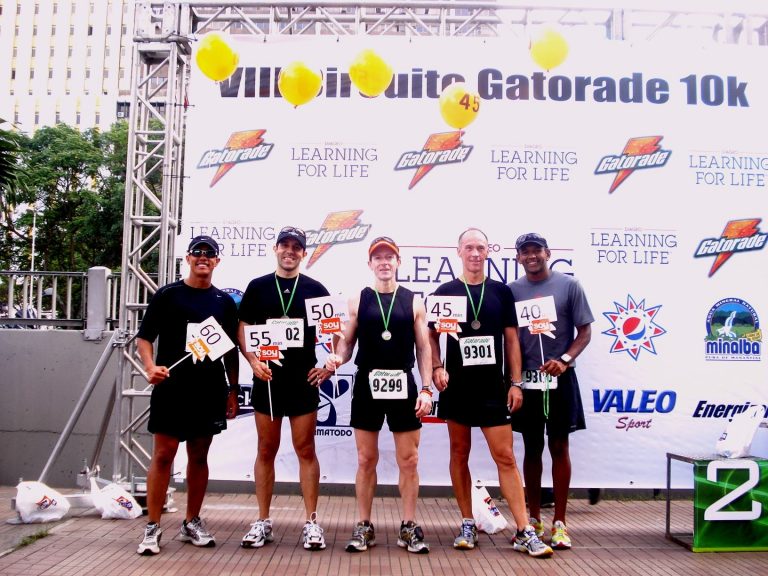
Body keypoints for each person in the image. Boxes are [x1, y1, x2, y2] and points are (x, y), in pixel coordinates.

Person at [428, 228, 553, 558]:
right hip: (457, 388)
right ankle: (467, 522)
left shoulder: (500, 292)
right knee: (459, 453)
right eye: (469, 247)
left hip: (492, 389)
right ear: (459, 251)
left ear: (488, 252)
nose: (474, 253)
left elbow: (511, 340)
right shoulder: (445, 292)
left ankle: (524, 530)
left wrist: (516, 382)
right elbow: (430, 336)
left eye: (480, 248)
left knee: (506, 457)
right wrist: (437, 366)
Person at [325, 236, 433, 554]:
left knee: (409, 460)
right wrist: (337, 358)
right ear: (370, 263)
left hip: (403, 383)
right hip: (367, 384)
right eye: (378, 258)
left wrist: (426, 388)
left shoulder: (413, 301)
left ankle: (409, 526)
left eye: (389, 257)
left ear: (398, 262)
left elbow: (424, 348)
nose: (384, 262)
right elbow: (347, 343)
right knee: (365, 458)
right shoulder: (358, 300)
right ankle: (364, 525)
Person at [136, 235, 240, 555]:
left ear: (217, 261)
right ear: (189, 258)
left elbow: (230, 352)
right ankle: (152, 526)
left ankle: (191, 521)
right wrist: (150, 367)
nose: (203, 257)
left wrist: (233, 390)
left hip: (208, 389)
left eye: (210, 254)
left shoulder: (223, 302)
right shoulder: (168, 295)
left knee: (198, 456)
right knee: (163, 455)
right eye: (198, 252)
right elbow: (144, 338)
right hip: (171, 388)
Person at [237, 226, 333, 551]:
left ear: (303, 253)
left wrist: (329, 364)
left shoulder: (315, 289)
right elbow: (243, 327)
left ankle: (312, 522)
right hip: (268, 380)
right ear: (276, 249)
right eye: (285, 245)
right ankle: (263, 520)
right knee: (266, 450)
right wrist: (252, 361)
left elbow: (334, 331)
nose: (290, 251)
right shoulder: (258, 287)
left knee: (305, 450)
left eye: (296, 247)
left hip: (302, 382)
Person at [509, 232, 594, 550]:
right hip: (527, 380)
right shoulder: (512, 291)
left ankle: (560, 522)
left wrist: (565, 360)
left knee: (559, 446)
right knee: (531, 448)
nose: (531, 256)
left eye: (537, 250)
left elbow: (585, 331)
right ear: (518, 257)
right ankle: (533, 519)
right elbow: (509, 337)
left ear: (547, 253)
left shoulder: (569, 286)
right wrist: (514, 379)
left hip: (560, 377)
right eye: (525, 252)